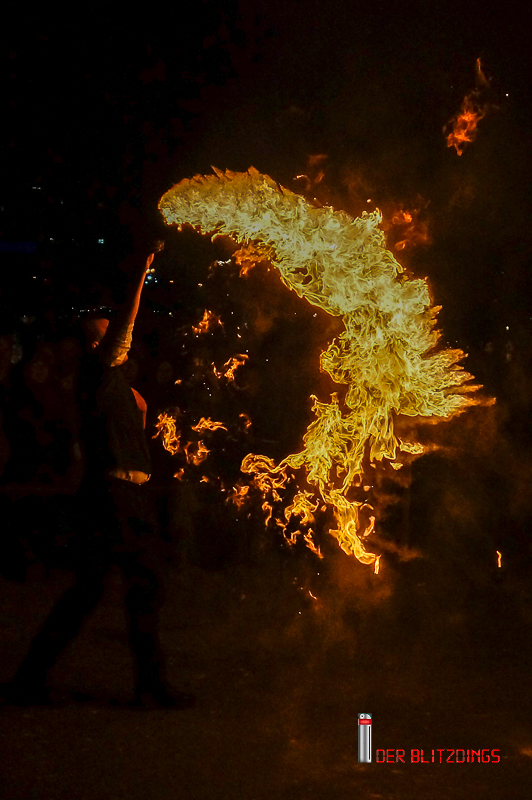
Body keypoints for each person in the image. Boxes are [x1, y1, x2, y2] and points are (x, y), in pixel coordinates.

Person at [0, 248, 195, 709]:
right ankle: (149, 687)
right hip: (114, 496)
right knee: (140, 584)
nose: (121, 341)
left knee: (90, 591)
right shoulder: (95, 372)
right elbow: (125, 327)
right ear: (97, 346)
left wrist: (136, 408)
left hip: (119, 494)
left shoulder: (115, 387)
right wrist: (141, 273)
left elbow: (136, 415)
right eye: (110, 337)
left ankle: (31, 678)